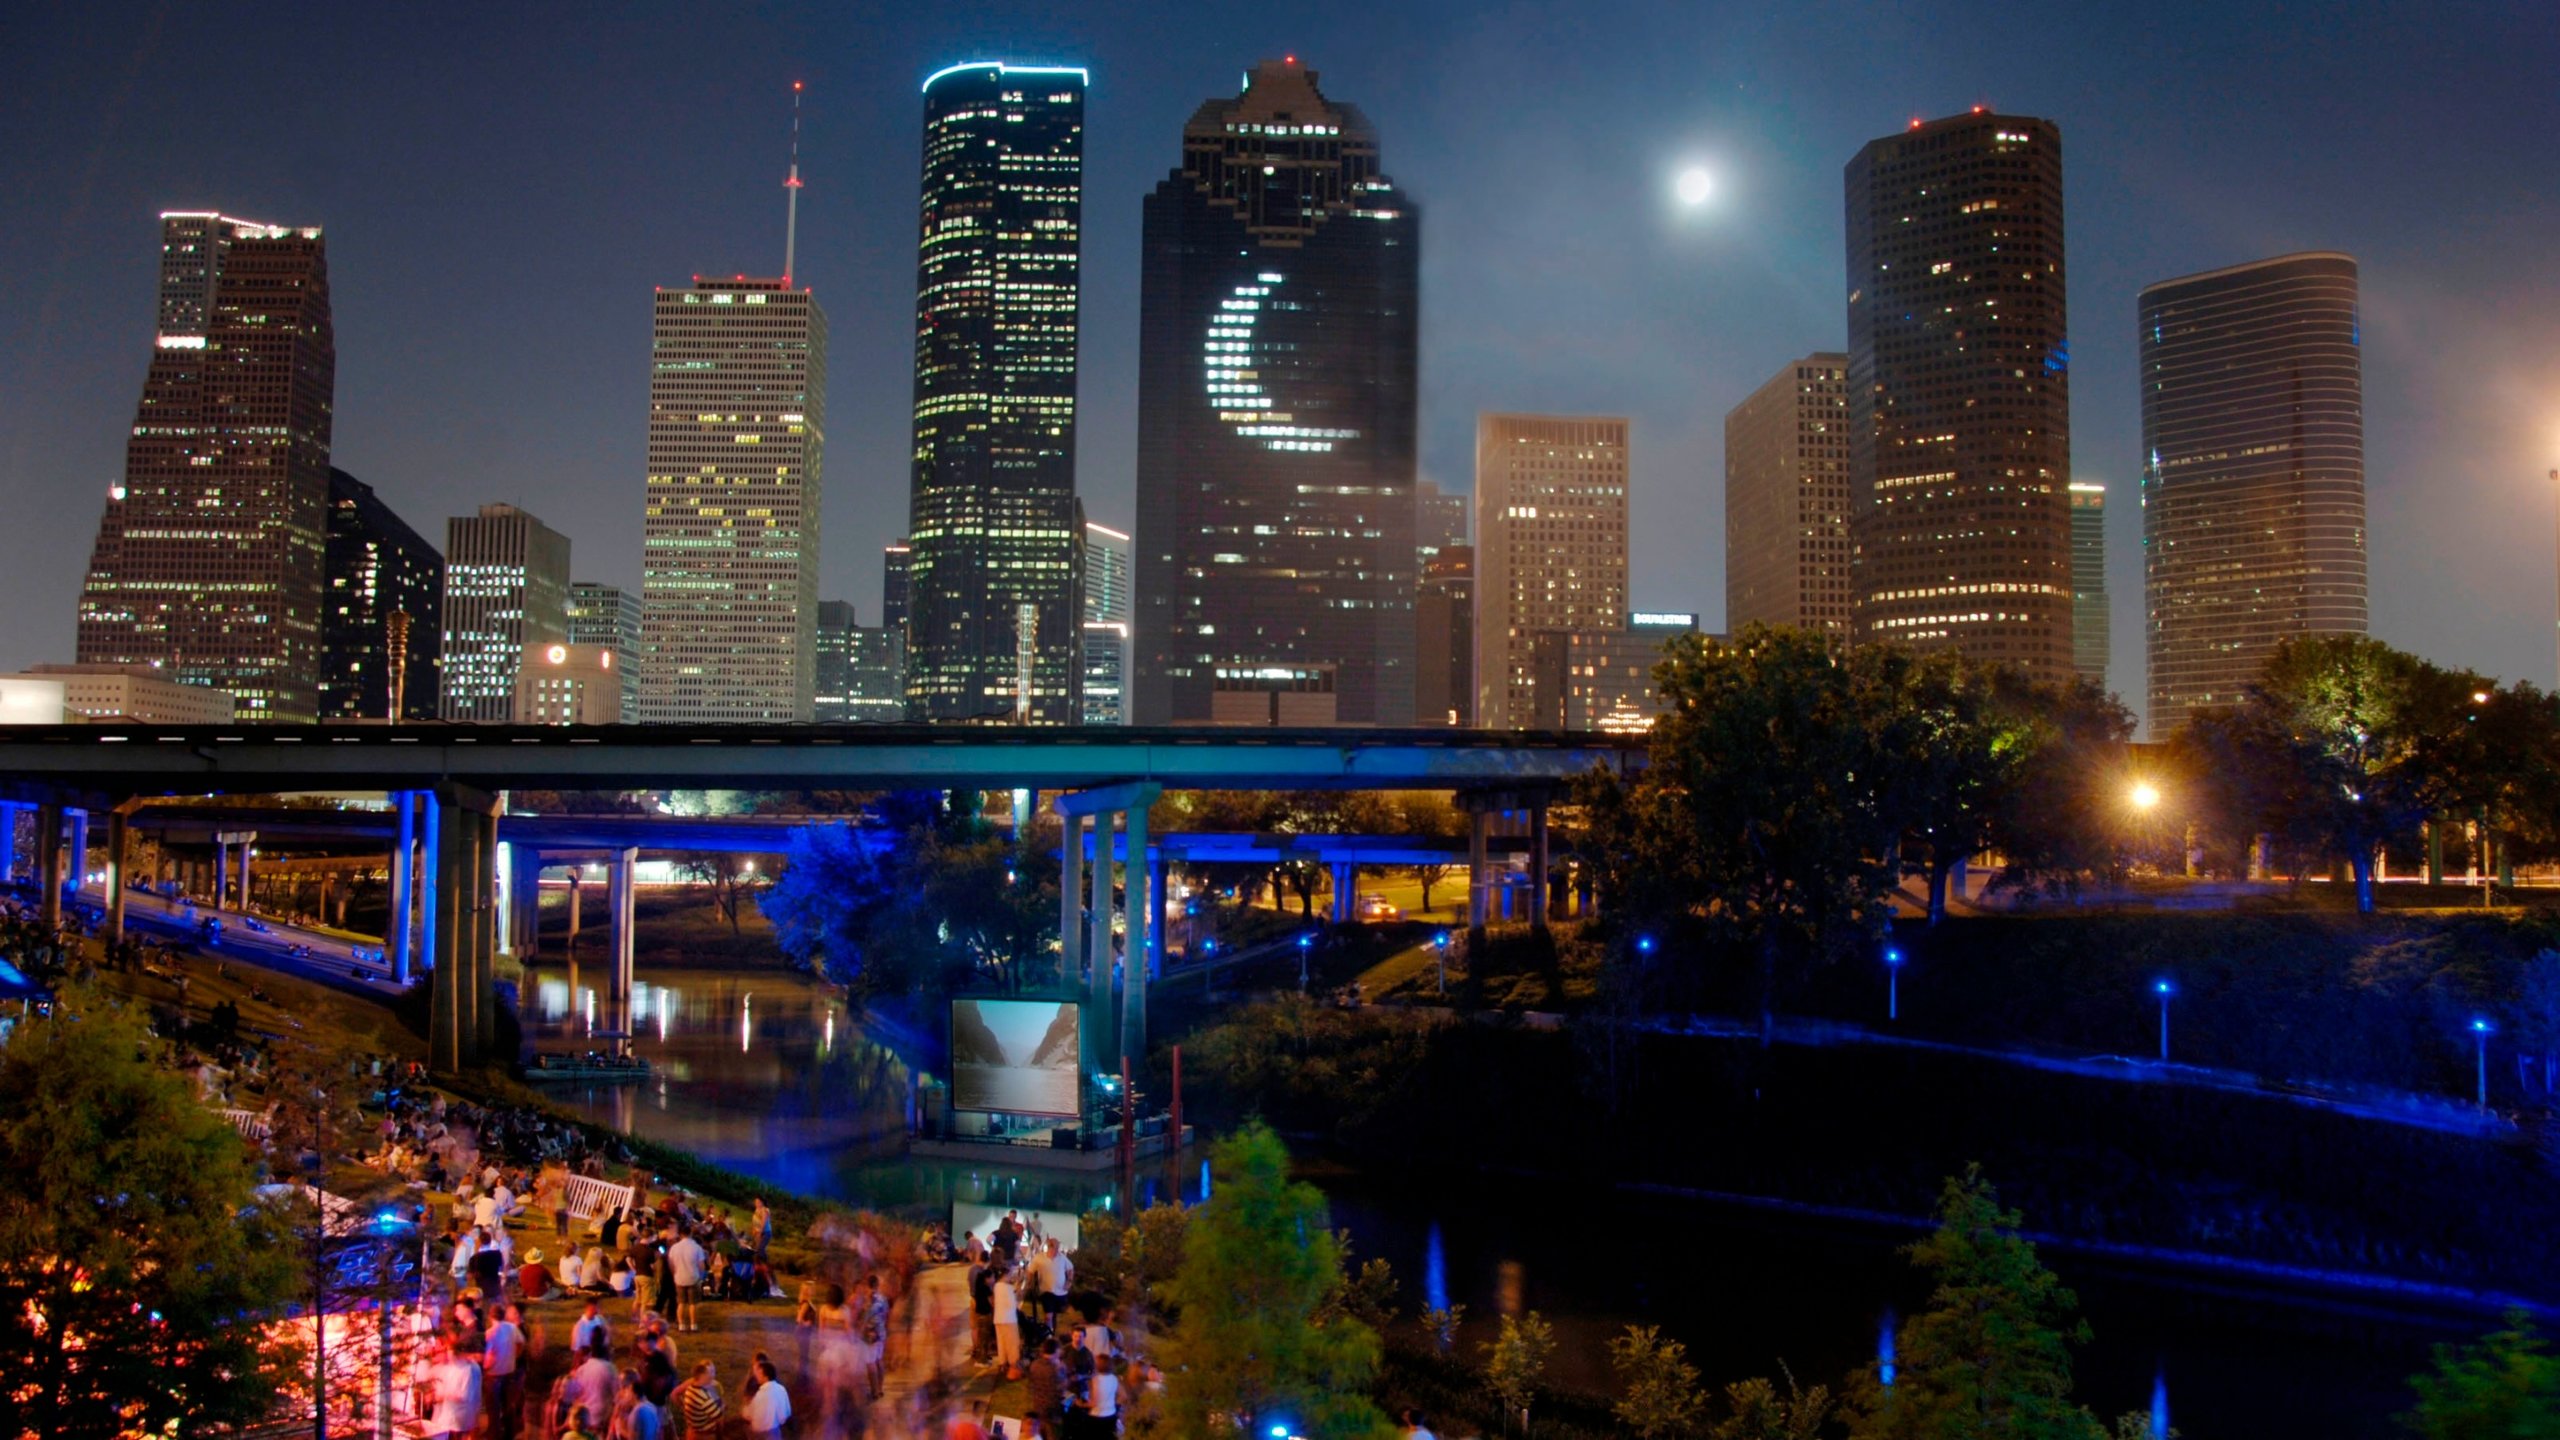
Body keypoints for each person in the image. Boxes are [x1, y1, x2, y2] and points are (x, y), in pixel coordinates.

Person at [423, 1335, 484, 1440]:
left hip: (457, 1419)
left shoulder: (466, 1369)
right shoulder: (455, 1367)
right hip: (454, 1417)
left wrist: (442, 1396)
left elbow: (464, 1395)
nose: (447, 1353)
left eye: (447, 1350)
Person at [484, 1303, 525, 1440]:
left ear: (490, 1317)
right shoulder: (512, 1328)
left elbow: (489, 1356)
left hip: (494, 1375)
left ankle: (494, 1435)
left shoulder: (490, 1333)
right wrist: (515, 1355)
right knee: (508, 1407)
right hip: (509, 1373)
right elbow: (521, 1342)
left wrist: (485, 1367)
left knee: (493, 1408)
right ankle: (509, 1435)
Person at [566, 1340, 619, 1438]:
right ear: (606, 1352)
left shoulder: (581, 1369)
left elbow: (574, 1394)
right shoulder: (610, 1369)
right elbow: (617, 1398)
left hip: (583, 1419)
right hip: (601, 1420)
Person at [667, 1226, 707, 1333]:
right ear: (691, 1234)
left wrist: (674, 1274)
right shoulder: (696, 1248)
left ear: (680, 1235)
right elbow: (702, 1265)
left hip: (679, 1278)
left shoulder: (674, 1248)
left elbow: (670, 1264)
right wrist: (701, 1276)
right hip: (693, 1277)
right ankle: (693, 1324)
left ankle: (681, 1325)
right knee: (692, 1303)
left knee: (681, 1303)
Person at [671, 1361, 724, 1440]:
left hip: (693, 1430)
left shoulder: (690, 1388)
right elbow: (719, 1418)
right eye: (710, 1373)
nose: (713, 1376)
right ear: (702, 1375)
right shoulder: (705, 1398)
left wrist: (686, 1409)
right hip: (705, 1435)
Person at [742, 1355, 791, 1440]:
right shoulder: (781, 1389)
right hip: (774, 1433)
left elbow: (749, 1415)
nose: (757, 1376)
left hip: (759, 1434)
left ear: (766, 1376)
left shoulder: (760, 1395)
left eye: (759, 1374)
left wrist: (744, 1411)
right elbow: (784, 1415)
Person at [993, 1263, 1023, 1378]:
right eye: (1010, 1274)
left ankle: (1002, 1364)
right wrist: (1018, 1296)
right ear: (1005, 1274)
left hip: (998, 1319)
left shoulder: (997, 1286)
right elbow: (1013, 1305)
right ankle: (1013, 1368)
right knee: (1012, 1344)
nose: (1012, 1276)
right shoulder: (1007, 1288)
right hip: (1009, 1319)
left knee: (1002, 1343)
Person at [1037, 1238, 1073, 1326]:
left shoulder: (1062, 1257)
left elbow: (1070, 1269)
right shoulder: (1040, 1257)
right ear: (1050, 1247)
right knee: (1048, 1315)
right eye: (1056, 1248)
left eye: (1058, 1248)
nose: (1057, 1250)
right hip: (1047, 1291)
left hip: (1061, 1292)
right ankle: (1048, 1333)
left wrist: (1069, 1281)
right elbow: (1030, 1270)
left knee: (1063, 1311)